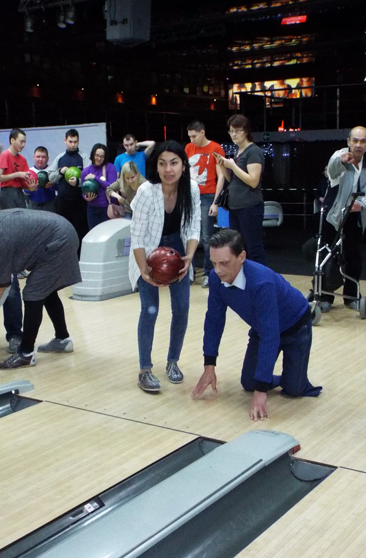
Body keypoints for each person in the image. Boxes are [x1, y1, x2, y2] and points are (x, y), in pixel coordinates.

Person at [192, 229, 321, 422]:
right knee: (249, 382)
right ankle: (277, 376)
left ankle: (289, 379)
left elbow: (270, 335)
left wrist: (261, 391)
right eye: (214, 263)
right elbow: (214, 321)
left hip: (296, 326)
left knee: (294, 389)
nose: (218, 270)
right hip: (264, 327)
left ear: (242, 257)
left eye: (224, 263)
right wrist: (209, 366)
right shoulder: (216, 279)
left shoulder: (261, 282)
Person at [0, 208, 81, 370]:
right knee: (46, 290)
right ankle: (62, 339)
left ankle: (26, 354)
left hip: (60, 240)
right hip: (59, 231)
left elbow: (1, 285)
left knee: (33, 293)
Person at [129, 140, 200, 393]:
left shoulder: (191, 189)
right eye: (162, 163)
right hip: (148, 250)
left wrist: (189, 255)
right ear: (156, 167)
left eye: (174, 163)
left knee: (182, 308)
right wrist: (143, 270)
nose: (168, 169)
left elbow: (193, 226)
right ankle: (145, 370)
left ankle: (173, 362)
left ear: (183, 166)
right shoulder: (146, 192)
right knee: (149, 311)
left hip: (178, 247)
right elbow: (137, 237)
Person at [316, 126, 366, 312]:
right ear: (349, 141)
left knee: (354, 256)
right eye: (355, 140)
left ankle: (351, 297)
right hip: (333, 212)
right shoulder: (339, 155)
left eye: (363, 141)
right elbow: (332, 172)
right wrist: (341, 161)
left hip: (355, 212)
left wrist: (362, 202)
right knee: (326, 254)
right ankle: (324, 296)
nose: (358, 145)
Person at [214, 114, 267, 265]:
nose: (234, 134)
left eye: (238, 131)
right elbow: (232, 180)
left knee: (254, 248)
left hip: (250, 206)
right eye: (231, 131)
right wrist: (224, 167)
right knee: (239, 248)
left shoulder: (253, 151)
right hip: (235, 207)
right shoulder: (239, 151)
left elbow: (253, 181)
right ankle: (245, 275)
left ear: (246, 131)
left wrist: (233, 166)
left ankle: (260, 276)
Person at [186, 120, 225, 288]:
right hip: (191, 195)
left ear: (202, 132)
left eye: (194, 136)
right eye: (190, 136)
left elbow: (221, 176)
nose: (192, 139)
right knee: (189, 235)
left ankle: (209, 273)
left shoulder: (215, 148)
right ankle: (189, 272)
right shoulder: (189, 148)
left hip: (208, 195)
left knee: (207, 237)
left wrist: (216, 202)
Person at [48, 128, 89, 244]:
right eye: (70, 141)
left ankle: (79, 254)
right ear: (65, 140)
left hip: (79, 202)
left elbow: (90, 179)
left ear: (78, 141)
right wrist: (60, 172)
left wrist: (78, 182)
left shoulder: (84, 157)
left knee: (80, 232)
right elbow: (49, 177)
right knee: (62, 232)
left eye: (75, 142)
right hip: (62, 201)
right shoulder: (60, 157)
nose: (73, 144)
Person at [81, 143, 117, 230]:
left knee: (108, 233)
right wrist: (86, 198)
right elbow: (83, 190)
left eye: (102, 156)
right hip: (92, 208)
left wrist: (95, 178)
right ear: (93, 155)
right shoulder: (85, 171)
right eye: (97, 155)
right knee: (93, 234)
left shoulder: (110, 168)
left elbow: (112, 187)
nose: (99, 158)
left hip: (107, 208)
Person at [0, 128, 35, 210]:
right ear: (12, 140)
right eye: (21, 142)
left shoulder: (23, 159)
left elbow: (24, 181)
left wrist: (31, 187)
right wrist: (17, 174)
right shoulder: (5, 155)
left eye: (24, 142)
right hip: (7, 192)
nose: (23, 145)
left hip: (19, 192)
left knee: (22, 215)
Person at [26, 146, 58, 213]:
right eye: (38, 157)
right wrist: (30, 189)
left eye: (43, 157)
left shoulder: (53, 171)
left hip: (50, 204)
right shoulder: (28, 172)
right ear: (33, 157)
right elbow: (24, 192)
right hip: (33, 205)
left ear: (48, 158)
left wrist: (52, 184)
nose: (40, 159)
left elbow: (60, 188)